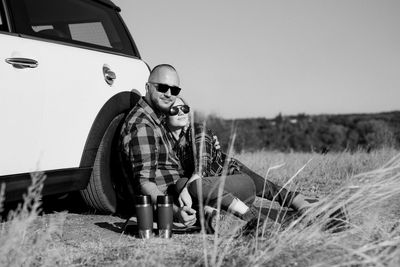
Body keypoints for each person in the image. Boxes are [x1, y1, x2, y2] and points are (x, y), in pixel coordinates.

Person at [164, 97, 318, 229]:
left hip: (236, 180)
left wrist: (187, 189)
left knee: (192, 185)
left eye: (184, 108)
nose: (181, 113)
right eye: (174, 110)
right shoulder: (168, 145)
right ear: (164, 115)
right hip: (216, 191)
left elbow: (201, 167)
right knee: (180, 184)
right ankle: (218, 214)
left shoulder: (197, 130)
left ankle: (256, 217)